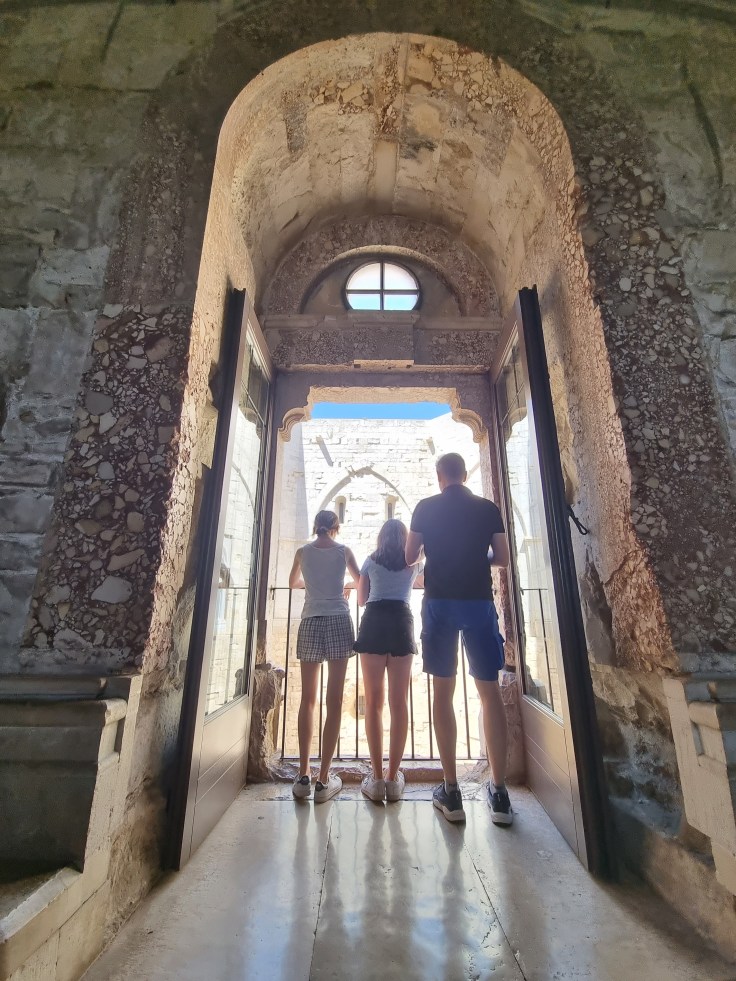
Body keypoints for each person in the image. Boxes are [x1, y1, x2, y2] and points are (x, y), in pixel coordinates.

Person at [405, 452, 512, 826]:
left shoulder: (425, 507)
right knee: (490, 693)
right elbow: (502, 557)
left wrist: (432, 548)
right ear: (464, 475)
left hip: (440, 603)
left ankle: (451, 791)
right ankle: (499, 793)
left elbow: (408, 556)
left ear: (439, 477)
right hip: (479, 601)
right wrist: (475, 553)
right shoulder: (487, 508)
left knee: (442, 693)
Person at [289, 510, 361, 803]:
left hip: (311, 620)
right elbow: (360, 580)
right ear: (336, 528)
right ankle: (323, 779)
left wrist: (313, 587)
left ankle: (303, 775)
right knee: (334, 701)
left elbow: (293, 582)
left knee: (308, 699)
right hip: (338, 621)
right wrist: (345, 588)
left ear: (316, 527)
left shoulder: (302, 552)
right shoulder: (343, 551)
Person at [353, 519, 424, 803]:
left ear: (381, 538)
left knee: (373, 702)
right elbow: (425, 573)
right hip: (400, 621)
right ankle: (394, 779)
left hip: (373, 621)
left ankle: (377, 778)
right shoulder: (413, 564)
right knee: (399, 703)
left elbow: (361, 600)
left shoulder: (370, 561)